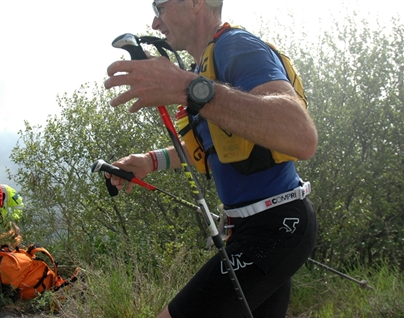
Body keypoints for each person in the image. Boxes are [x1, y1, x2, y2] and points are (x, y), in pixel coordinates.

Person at [104, 0, 318, 317]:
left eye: (159, 8)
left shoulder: (235, 46)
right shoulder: (203, 69)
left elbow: (300, 134)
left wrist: (187, 87)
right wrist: (149, 161)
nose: (154, 24)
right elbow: (213, 147)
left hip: (277, 226)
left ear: (194, 3)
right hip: (252, 227)